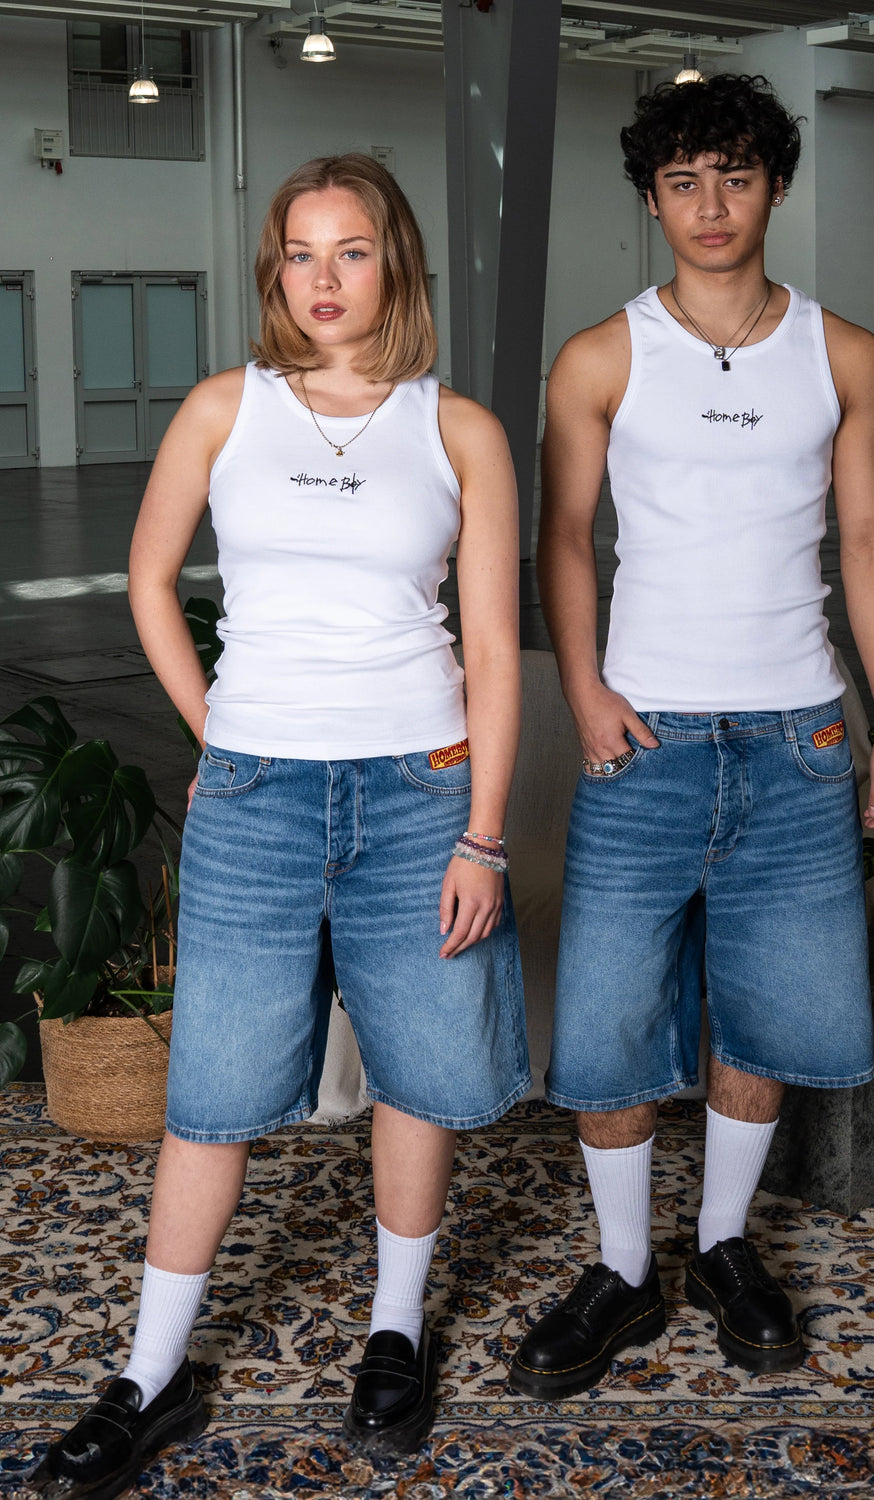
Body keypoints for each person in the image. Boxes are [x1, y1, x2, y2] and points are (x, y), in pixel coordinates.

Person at [30, 153, 528, 1496]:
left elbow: (492, 645)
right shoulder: (223, 406)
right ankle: (150, 1376)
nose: (322, 278)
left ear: (394, 262)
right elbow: (147, 581)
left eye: (350, 250)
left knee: (419, 1069)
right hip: (257, 794)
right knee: (215, 1088)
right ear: (276, 271)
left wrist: (483, 831)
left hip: (420, 792)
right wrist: (220, 734)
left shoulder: (460, 430)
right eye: (300, 253)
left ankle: (393, 1336)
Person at [508, 73, 874, 1398]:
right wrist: (584, 694)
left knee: (767, 1010)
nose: (711, 204)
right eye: (683, 180)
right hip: (644, 736)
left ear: (775, 187)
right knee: (610, 1020)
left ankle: (725, 1245)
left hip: (800, 736)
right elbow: (563, 539)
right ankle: (625, 1268)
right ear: (652, 198)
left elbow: (870, 542)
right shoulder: (601, 357)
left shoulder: (843, 354)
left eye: (735, 176)